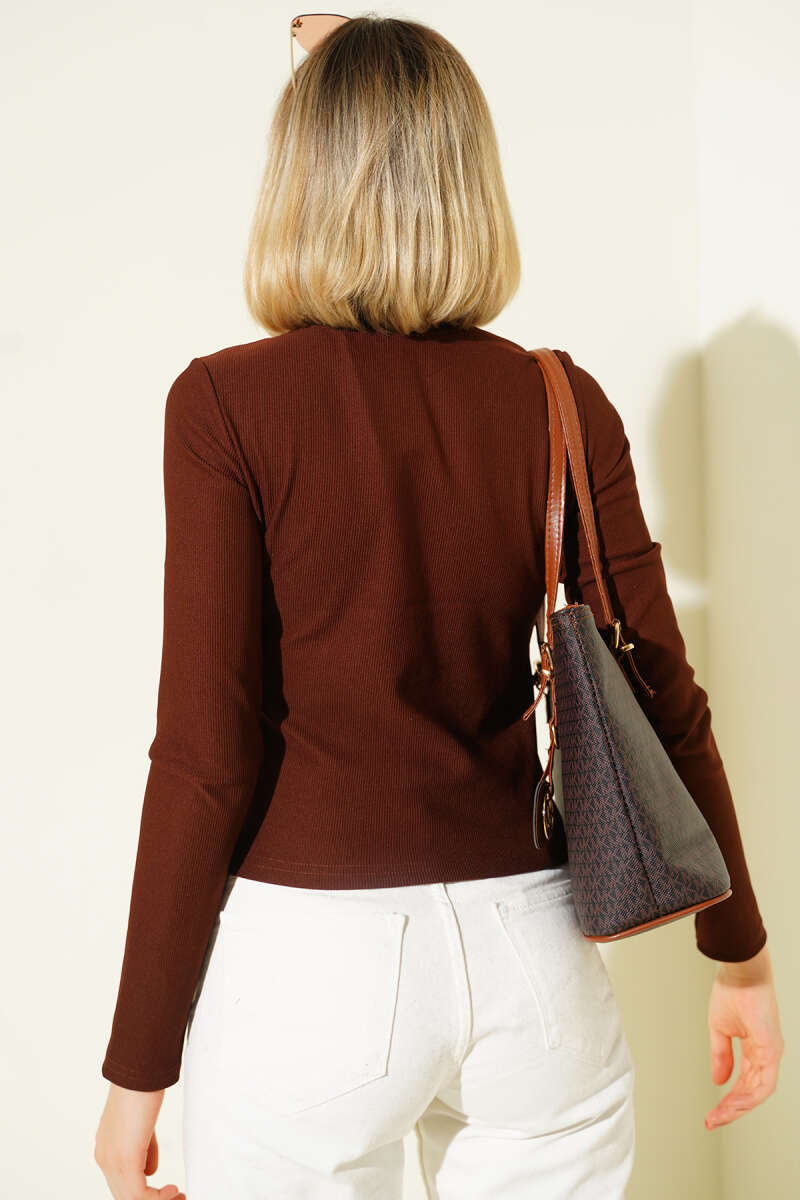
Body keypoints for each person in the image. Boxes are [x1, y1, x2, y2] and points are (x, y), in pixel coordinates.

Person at [94, 14, 783, 1199]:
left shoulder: (224, 406)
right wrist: (740, 958)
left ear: (297, 176)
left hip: (311, 975)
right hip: (535, 963)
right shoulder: (556, 399)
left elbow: (206, 755)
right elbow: (663, 693)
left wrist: (135, 1071)